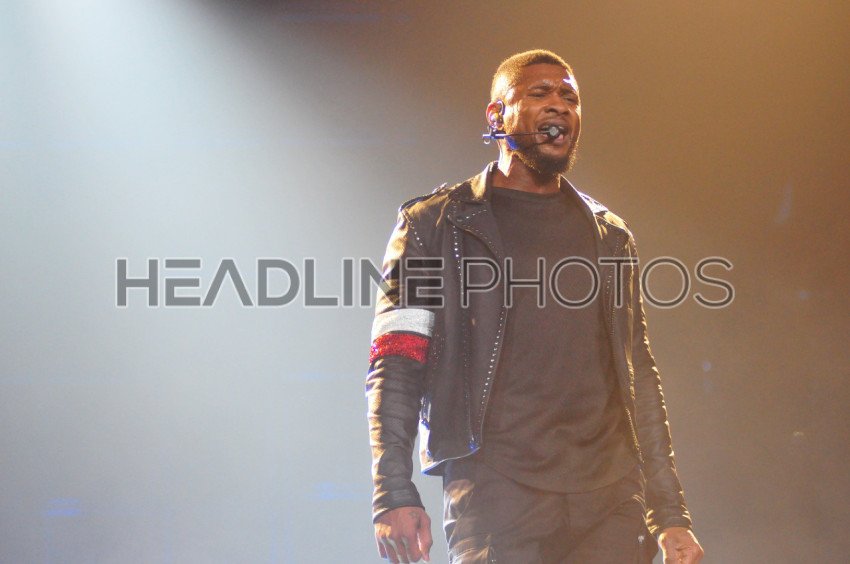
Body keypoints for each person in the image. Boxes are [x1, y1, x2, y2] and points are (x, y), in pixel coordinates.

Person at [365, 49, 704, 564]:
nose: (559, 105)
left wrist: (670, 512)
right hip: (496, 492)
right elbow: (396, 360)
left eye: (570, 97)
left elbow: (639, 373)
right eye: (540, 93)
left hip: (610, 496)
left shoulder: (610, 235)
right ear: (496, 115)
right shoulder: (434, 226)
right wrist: (392, 491)